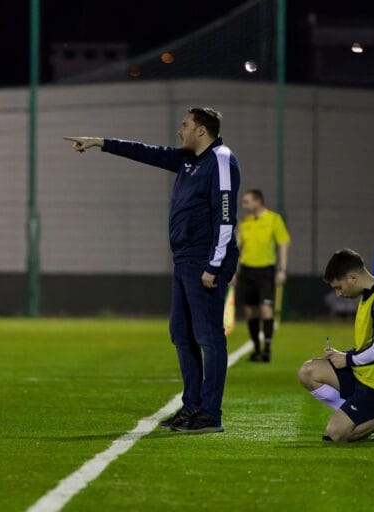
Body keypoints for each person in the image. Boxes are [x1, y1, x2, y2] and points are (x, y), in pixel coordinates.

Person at [63, 107, 241, 434]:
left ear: (202, 130)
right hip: (185, 259)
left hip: (205, 260)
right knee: (181, 334)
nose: (180, 130)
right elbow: (147, 152)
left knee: (208, 337)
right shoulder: (189, 160)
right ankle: (191, 407)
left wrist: (215, 265)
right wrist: (100, 142)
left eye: (185, 125)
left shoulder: (221, 159)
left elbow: (226, 217)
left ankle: (210, 414)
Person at [297, 249, 374, 443]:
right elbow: (370, 345)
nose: (338, 294)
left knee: (336, 433)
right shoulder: (368, 296)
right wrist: (344, 355)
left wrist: (347, 359)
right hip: (366, 375)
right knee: (308, 371)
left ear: (352, 278)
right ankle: (355, 411)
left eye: (338, 287)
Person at [235, 189, 291, 362]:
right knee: (250, 311)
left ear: (258, 201)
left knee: (266, 308)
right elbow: (237, 249)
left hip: (265, 271)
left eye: (247, 201)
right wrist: (233, 271)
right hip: (246, 271)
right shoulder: (244, 223)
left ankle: (267, 349)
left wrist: (282, 269)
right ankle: (256, 349)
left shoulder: (274, 219)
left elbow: (283, 243)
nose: (244, 205)